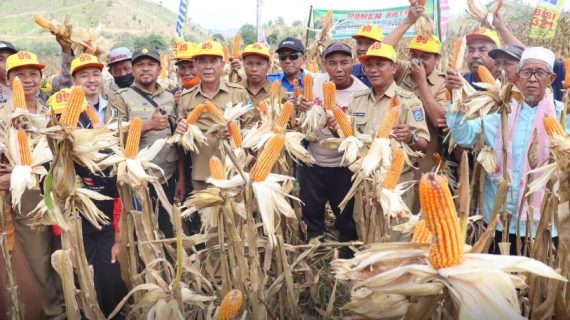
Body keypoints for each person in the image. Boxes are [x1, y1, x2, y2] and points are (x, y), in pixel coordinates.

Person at [447, 47, 570, 256]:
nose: (532, 79)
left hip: (545, 222)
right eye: (526, 72)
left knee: (536, 284)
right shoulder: (501, 112)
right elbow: (464, 134)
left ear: (551, 78)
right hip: (499, 219)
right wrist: (456, 96)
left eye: (539, 73)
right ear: (518, 77)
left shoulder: (563, 116)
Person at [0, 50, 66, 319]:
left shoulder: (50, 109)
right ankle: (53, 312)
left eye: (33, 74)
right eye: (19, 75)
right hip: (26, 196)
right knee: (39, 259)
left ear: (41, 77)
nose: (27, 80)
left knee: (61, 254)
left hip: (58, 190)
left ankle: (68, 303)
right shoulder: (4, 116)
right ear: (8, 78)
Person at [298, 42, 368, 255]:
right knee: (311, 211)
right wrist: (299, 106)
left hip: (344, 166)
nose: (339, 69)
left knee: (345, 215)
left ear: (352, 63)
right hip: (313, 162)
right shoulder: (315, 82)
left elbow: (360, 137)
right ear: (324, 65)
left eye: (344, 63)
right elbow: (302, 120)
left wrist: (340, 130)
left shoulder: (362, 93)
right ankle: (315, 254)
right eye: (332, 63)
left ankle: (347, 254)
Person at [108, 47, 183, 239]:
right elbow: (112, 135)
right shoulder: (121, 97)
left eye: (151, 64)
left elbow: (177, 140)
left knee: (168, 232)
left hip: (167, 177)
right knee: (142, 233)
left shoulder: (169, 97)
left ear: (160, 69)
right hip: (137, 179)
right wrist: (147, 125)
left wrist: (181, 177)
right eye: (140, 65)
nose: (145, 69)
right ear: (133, 70)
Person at [348, 42, 430, 208]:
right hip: (364, 179)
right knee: (365, 230)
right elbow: (349, 140)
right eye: (368, 65)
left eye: (380, 64)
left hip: (395, 182)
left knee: (394, 232)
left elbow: (424, 144)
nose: (372, 70)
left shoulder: (409, 101)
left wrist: (410, 136)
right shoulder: (357, 100)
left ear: (394, 68)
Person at [176, 40, 249, 191]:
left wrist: (237, 134)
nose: (208, 67)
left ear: (223, 65)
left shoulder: (239, 93)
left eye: (214, 61)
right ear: (195, 65)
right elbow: (180, 143)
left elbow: (252, 129)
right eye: (202, 61)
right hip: (201, 176)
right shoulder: (186, 98)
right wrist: (180, 131)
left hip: (234, 174)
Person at [446, 28, 501, 92]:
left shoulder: (506, 83)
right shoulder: (461, 81)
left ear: (496, 56)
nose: (475, 55)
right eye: (471, 50)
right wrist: (452, 92)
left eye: (482, 50)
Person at [70, 53, 108, 123]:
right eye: (84, 76)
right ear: (73, 80)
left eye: (96, 74)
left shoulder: (113, 109)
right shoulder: (67, 110)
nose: (92, 80)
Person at [172, 42, 200, 106]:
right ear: (177, 71)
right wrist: (173, 105)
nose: (187, 72)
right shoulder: (170, 95)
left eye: (191, 67)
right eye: (182, 68)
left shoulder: (212, 91)